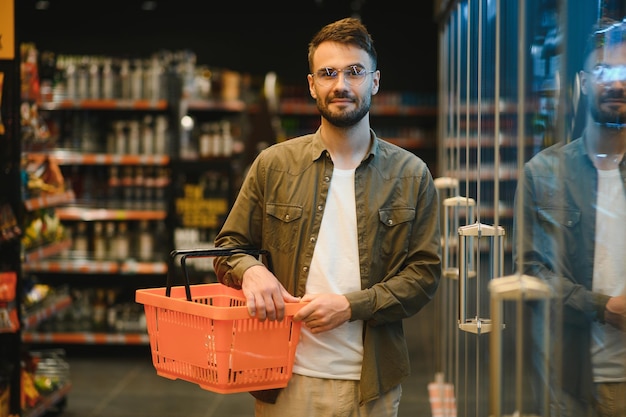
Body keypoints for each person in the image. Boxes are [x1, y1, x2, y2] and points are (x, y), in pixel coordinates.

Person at [213, 17, 441, 417]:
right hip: (284, 378)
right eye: (328, 73)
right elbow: (228, 249)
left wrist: (353, 306)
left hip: (373, 385)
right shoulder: (274, 165)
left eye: (354, 72)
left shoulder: (410, 174)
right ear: (312, 84)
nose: (341, 85)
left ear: (374, 81)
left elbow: (423, 276)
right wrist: (251, 271)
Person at [514, 19, 626, 417]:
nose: (616, 82)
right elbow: (530, 274)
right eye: (603, 71)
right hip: (570, 378)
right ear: (582, 81)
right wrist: (601, 306)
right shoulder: (543, 173)